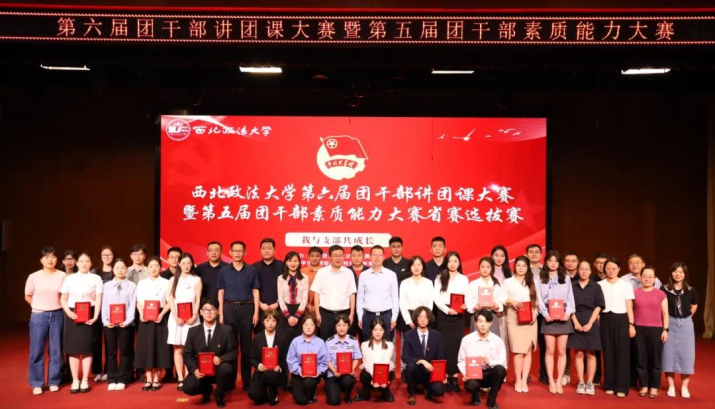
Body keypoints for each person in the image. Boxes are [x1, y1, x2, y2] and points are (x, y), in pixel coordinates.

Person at [218, 240, 260, 389]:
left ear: (245, 252)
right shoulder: (223, 271)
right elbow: (221, 292)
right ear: (230, 252)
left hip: (247, 309)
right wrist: (221, 314)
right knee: (231, 346)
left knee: (246, 347)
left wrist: (256, 312)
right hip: (229, 309)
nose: (237, 253)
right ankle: (230, 380)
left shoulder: (251, 270)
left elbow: (255, 291)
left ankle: (246, 380)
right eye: (235, 250)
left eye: (240, 250)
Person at [60, 252, 103, 393]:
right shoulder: (69, 278)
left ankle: (84, 379)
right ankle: (75, 380)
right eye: (81, 261)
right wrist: (68, 312)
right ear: (77, 263)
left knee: (87, 348)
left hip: (90, 313)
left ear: (91, 263)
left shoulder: (96, 278)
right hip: (73, 314)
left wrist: (95, 316)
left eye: (87, 261)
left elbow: (98, 299)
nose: (84, 264)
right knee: (73, 350)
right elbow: (63, 298)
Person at [182, 297, 237, 408]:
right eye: (206, 309)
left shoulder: (227, 330)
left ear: (217, 311)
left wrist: (221, 359)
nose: (209, 312)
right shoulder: (193, 331)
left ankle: (220, 395)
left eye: (212, 309)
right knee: (188, 387)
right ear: (201, 312)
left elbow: (233, 352)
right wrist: (194, 369)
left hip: (219, 369)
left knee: (226, 368)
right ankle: (206, 390)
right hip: (200, 370)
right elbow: (187, 354)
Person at [25, 247, 67, 395]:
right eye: (47, 257)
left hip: (57, 314)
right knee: (37, 351)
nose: (50, 260)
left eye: (53, 257)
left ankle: (54, 381)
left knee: (56, 350)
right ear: (41, 260)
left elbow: (64, 295)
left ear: (57, 259)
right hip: (39, 316)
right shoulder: (34, 276)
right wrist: (38, 306)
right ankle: (37, 382)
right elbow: (27, 295)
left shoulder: (62, 275)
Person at [536, 250, 576, 394]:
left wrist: (568, 313)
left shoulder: (566, 278)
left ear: (559, 263)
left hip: (563, 316)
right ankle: (551, 381)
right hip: (548, 316)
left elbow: (570, 299)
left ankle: (559, 380)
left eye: (556, 261)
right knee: (550, 350)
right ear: (546, 262)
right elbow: (539, 299)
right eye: (550, 260)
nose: (553, 263)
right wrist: (545, 313)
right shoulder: (540, 278)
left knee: (561, 351)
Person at [598, 257, 636, 398]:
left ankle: (621, 386)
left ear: (619, 269)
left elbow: (629, 307)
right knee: (608, 352)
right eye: (608, 268)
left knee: (622, 353)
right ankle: (609, 384)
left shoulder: (626, 285)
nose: (611, 271)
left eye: (614, 268)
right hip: (605, 319)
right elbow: (598, 306)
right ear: (604, 269)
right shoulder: (599, 285)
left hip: (622, 320)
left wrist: (631, 324)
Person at [433, 251, 469, 392]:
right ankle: (445, 376)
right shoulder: (439, 277)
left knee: (456, 346)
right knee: (443, 345)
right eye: (450, 261)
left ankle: (454, 377)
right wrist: (447, 310)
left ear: (459, 263)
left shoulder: (464, 279)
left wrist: (465, 305)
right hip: (443, 314)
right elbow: (436, 298)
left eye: (455, 261)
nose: (452, 264)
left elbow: (467, 296)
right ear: (446, 263)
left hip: (458, 316)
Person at [502, 256, 539, 393]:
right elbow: (501, 298)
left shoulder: (532, 281)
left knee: (528, 350)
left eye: (524, 266)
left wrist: (535, 314)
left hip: (530, 319)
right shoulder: (508, 282)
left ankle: (524, 380)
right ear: (514, 266)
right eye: (518, 265)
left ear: (528, 267)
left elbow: (537, 301)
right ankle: (518, 379)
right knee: (518, 350)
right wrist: (510, 301)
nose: (521, 268)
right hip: (514, 318)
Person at [135, 256, 172, 391]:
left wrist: (161, 315)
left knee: (159, 347)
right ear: (147, 268)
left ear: (160, 267)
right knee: (146, 347)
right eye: (151, 266)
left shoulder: (167, 282)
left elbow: (170, 302)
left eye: (156, 266)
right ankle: (148, 378)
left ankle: (156, 378)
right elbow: (139, 301)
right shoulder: (142, 283)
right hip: (145, 317)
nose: (154, 268)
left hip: (160, 317)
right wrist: (141, 314)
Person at [568, 260, 604, 395]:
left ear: (590, 271)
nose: (584, 271)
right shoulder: (572, 286)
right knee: (578, 353)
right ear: (578, 270)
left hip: (591, 321)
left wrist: (590, 323)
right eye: (581, 269)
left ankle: (590, 382)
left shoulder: (596, 286)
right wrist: (575, 323)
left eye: (586, 269)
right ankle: (581, 382)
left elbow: (599, 306)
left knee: (591, 353)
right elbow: (569, 305)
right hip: (576, 319)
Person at [458, 309, 508, 409]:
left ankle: (491, 401)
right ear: (476, 322)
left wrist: (491, 362)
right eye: (480, 321)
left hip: (490, 374)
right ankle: (475, 396)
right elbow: (461, 360)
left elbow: (503, 363)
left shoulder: (497, 340)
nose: (483, 325)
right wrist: (465, 373)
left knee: (500, 370)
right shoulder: (467, 340)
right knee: (471, 385)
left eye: (486, 322)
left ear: (490, 323)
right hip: (474, 374)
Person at [167, 253, 203, 391]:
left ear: (192, 264)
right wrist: (175, 316)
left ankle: (189, 376)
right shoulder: (172, 280)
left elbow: (198, 299)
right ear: (179, 264)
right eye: (183, 263)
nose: (186, 266)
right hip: (176, 319)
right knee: (178, 348)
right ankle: (180, 377)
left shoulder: (196, 280)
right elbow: (170, 299)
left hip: (192, 319)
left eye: (189, 263)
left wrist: (194, 315)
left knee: (191, 349)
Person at [662, 262, 698, 398]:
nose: (678, 274)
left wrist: (686, 317)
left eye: (681, 272)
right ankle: (671, 386)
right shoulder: (664, 289)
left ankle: (684, 387)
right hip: (669, 323)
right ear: (671, 273)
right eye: (675, 271)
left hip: (686, 324)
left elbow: (694, 305)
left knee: (687, 355)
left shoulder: (690, 290)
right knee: (668, 354)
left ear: (685, 274)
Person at [633, 267, 669, 398]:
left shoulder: (661, 294)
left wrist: (665, 330)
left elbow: (665, 313)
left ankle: (654, 387)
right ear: (641, 277)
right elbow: (630, 311)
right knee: (640, 359)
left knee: (655, 360)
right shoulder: (634, 293)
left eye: (650, 276)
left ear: (655, 279)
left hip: (656, 330)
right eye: (645, 276)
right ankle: (643, 385)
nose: (647, 279)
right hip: (639, 329)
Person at [101, 258, 137, 391]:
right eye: (117, 268)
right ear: (113, 270)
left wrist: (127, 321)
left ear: (126, 269)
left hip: (126, 324)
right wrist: (105, 321)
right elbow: (104, 304)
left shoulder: (132, 285)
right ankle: (111, 378)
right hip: (109, 324)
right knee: (111, 352)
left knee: (125, 352)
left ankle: (123, 378)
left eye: (122, 268)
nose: (120, 270)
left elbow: (132, 305)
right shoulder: (107, 286)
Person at [402, 306, 446, 405]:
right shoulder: (409, 335)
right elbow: (405, 357)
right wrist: (421, 361)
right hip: (415, 371)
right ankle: (411, 393)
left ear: (429, 319)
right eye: (420, 317)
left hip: (431, 371)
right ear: (416, 318)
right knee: (411, 366)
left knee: (439, 391)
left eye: (426, 317)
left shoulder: (437, 335)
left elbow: (441, 357)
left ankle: (426, 387)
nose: (423, 320)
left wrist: (442, 373)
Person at [312, 245, 357, 340]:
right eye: (335, 255)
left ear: (344, 257)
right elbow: (317, 294)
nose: (338, 258)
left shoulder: (348, 272)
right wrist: (317, 313)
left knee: (343, 341)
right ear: (329, 257)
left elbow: (352, 294)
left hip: (344, 314)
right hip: (326, 314)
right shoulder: (322, 272)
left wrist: (351, 314)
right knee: (325, 340)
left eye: (340, 255)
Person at [248, 309, 290, 406]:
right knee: (254, 395)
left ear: (277, 322)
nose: (270, 323)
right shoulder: (257, 338)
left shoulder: (282, 337)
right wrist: (258, 365)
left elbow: (286, 358)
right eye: (267, 320)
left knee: (271, 375)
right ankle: (264, 391)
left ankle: (273, 391)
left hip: (276, 373)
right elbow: (252, 358)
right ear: (263, 322)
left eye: (273, 321)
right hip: (261, 372)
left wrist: (280, 367)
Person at [357, 245, 399, 341]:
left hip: (386, 315)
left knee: (385, 345)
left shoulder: (391, 275)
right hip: (368, 316)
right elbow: (359, 298)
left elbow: (395, 298)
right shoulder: (363, 275)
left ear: (383, 257)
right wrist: (360, 317)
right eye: (374, 255)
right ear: (370, 257)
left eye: (379, 255)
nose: (377, 257)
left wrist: (394, 317)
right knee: (367, 344)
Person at [287, 314, 328, 405]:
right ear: (302, 326)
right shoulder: (295, 341)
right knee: (301, 400)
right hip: (298, 373)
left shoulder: (320, 342)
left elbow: (324, 362)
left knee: (308, 383)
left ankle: (312, 392)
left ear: (315, 327)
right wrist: (299, 371)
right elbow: (290, 359)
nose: (308, 327)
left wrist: (318, 371)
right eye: (306, 324)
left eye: (311, 325)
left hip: (313, 374)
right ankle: (297, 387)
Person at [355, 319, 396, 402]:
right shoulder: (364, 345)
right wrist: (375, 377)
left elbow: (386, 362)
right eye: (375, 330)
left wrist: (381, 378)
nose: (378, 332)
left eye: (380, 330)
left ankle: (385, 391)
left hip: (383, 372)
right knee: (364, 375)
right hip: (370, 371)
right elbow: (367, 363)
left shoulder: (390, 345)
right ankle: (366, 392)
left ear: (384, 331)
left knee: (391, 373)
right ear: (371, 331)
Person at [325, 314, 362, 405]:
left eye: (344, 325)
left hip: (347, 374)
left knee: (348, 381)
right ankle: (335, 388)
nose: (341, 328)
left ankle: (347, 395)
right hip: (333, 374)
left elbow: (356, 358)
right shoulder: (329, 341)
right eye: (339, 325)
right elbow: (327, 360)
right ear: (335, 326)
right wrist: (334, 371)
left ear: (348, 326)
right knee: (334, 401)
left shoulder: (353, 340)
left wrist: (352, 368)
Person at [91, 245, 115, 382]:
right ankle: (97, 371)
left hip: (112, 311)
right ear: (100, 256)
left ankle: (108, 370)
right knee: (95, 341)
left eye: (109, 254)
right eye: (104, 254)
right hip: (96, 310)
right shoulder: (95, 272)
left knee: (109, 342)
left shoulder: (116, 270)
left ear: (113, 256)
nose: (107, 257)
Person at [525, 244, 547, 385]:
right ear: (526, 254)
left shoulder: (546, 270)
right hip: (528, 311)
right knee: (526, 344)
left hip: (543, 312)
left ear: (541, 254)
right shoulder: (523, 269)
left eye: (537, 252)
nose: (534, 254)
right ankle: (525, 374)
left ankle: (544, 374)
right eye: (531, 252)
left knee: (544, 344)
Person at [467, 257, 504, 338]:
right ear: (479, 268)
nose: (485, 269)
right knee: (476, 341)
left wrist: (497, 305)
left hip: (492, 316)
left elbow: (501, 301)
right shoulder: (473, 284)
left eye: (488, 267)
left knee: (493, 341)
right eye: (482, 267)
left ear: (491, 268)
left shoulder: (496, 284)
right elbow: (468, 301)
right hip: (477, 316)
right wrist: (474, 306)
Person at [254, 238, 285, 333]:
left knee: (279, 336)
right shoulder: (253, 268)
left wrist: (277, 303)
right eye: (264, 248)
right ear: (260, 250)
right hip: (260, 308)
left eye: (269, 248)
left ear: (274, 250)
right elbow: (250, 289)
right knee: (260, 336)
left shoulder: (282, 266)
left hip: (279, 308)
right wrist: (260, 304)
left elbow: (286, 288)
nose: (266, 251)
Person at [277, 251, 309, 340]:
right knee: (284, 340)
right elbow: (280, 298)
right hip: (285, 311)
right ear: (286, 263)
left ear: (299, 263)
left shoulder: (304, 278)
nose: (292, 264)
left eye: (295, 261)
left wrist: (297, 316)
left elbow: (304, 299)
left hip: (300, 311)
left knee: (299, 339)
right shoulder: (280, 278)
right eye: (290, 261)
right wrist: (288, 317)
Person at [490, 246, 512, 358]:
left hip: (505, 311)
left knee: (503, 340)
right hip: (490, 309)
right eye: (496, 255)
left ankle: (504, 366)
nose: (499, 258)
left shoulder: (509, 273)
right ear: (492, 256)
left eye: (502, 256)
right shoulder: (488, 271)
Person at [300, 246, 323, 315]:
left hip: (322, 308)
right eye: (312, 256)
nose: (314, 258)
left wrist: (318, 305)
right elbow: (299, 291)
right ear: (308, 257)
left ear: (321, 257)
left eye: (317, 256)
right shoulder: (302, 272)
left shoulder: (325, 272)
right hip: (304, 308)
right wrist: (307, 305)